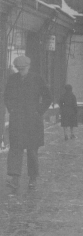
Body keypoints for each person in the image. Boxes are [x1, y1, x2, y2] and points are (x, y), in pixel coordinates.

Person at [4, 55, 52, 189]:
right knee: (15, 149)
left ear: (28, 67)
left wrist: (39, 111)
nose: (21, 71)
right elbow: (6, 96)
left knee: (32, 150)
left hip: (33, 121)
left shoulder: (37, 79)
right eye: (18, 69)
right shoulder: (12, 79)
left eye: (23, 69)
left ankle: (33, 178)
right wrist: (12, 109)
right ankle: (14, 179)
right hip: (17, 121)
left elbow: (48, 97)